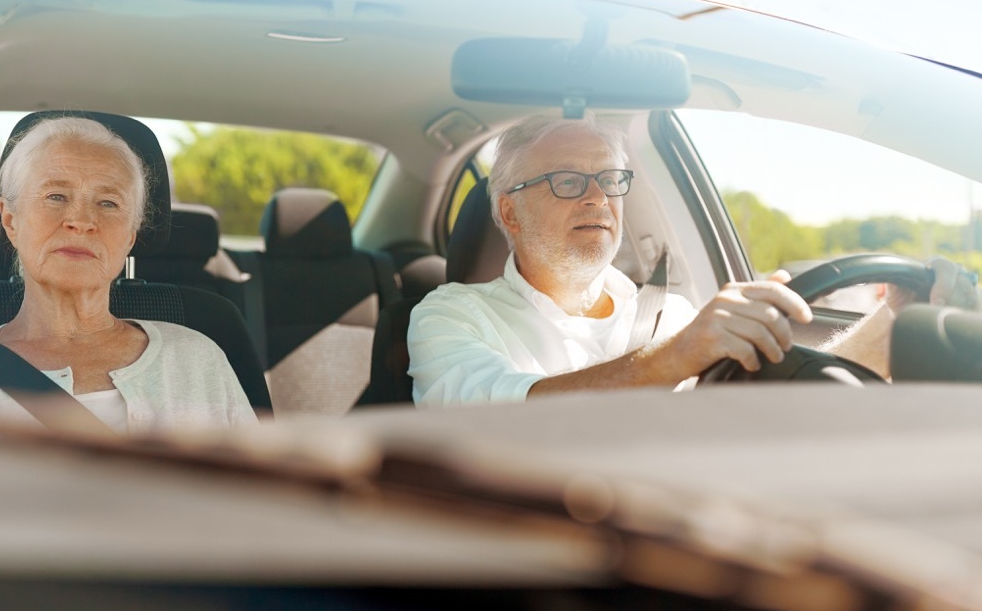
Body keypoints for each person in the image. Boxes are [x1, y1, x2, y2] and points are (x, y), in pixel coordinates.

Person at [408, 114, 979, 406]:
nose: (598, 198)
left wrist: (890, 329)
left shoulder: (666, 315)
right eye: (567, 181)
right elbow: (492, 416)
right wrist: (678, 357)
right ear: (509, 214)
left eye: (610, 179)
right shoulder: (451, 316)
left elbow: (762, 419)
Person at [0, 117, 256, 462]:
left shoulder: (199, 360)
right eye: (56, 196)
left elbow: (262, 511)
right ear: (11, 220)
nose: (80, 221)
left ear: (131, 235)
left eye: (109, 204)